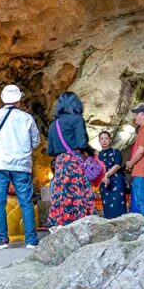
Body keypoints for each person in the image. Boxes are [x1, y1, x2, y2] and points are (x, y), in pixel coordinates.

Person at [0, 84, 40, 250]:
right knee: (26, 202)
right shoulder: (27, 119)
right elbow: (36, 142)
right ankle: (31, 240)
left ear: (2, 98)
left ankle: (1, 240)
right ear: (19, 100)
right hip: (21, 165)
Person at [46, 91, 96, 229]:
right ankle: (81, 223)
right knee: (78, 191)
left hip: (61, 162)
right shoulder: (77, 120)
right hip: (75, 161)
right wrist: (92, 152)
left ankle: (60, 223)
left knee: (62, 193)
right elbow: (81, 143)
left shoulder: (53, 125)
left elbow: (50, 150)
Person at [96, 130, 126, 219]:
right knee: (107, 206)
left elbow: (117, 165)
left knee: (118, 205)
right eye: (102, 139)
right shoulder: (98, 155)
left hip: (116, 182)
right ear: (99, 141)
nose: (104, 141)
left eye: (106, 138)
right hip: (104, 183)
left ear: (110, 140)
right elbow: (96, 171)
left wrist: (107, 175)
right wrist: (103, 178)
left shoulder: (116, 152)